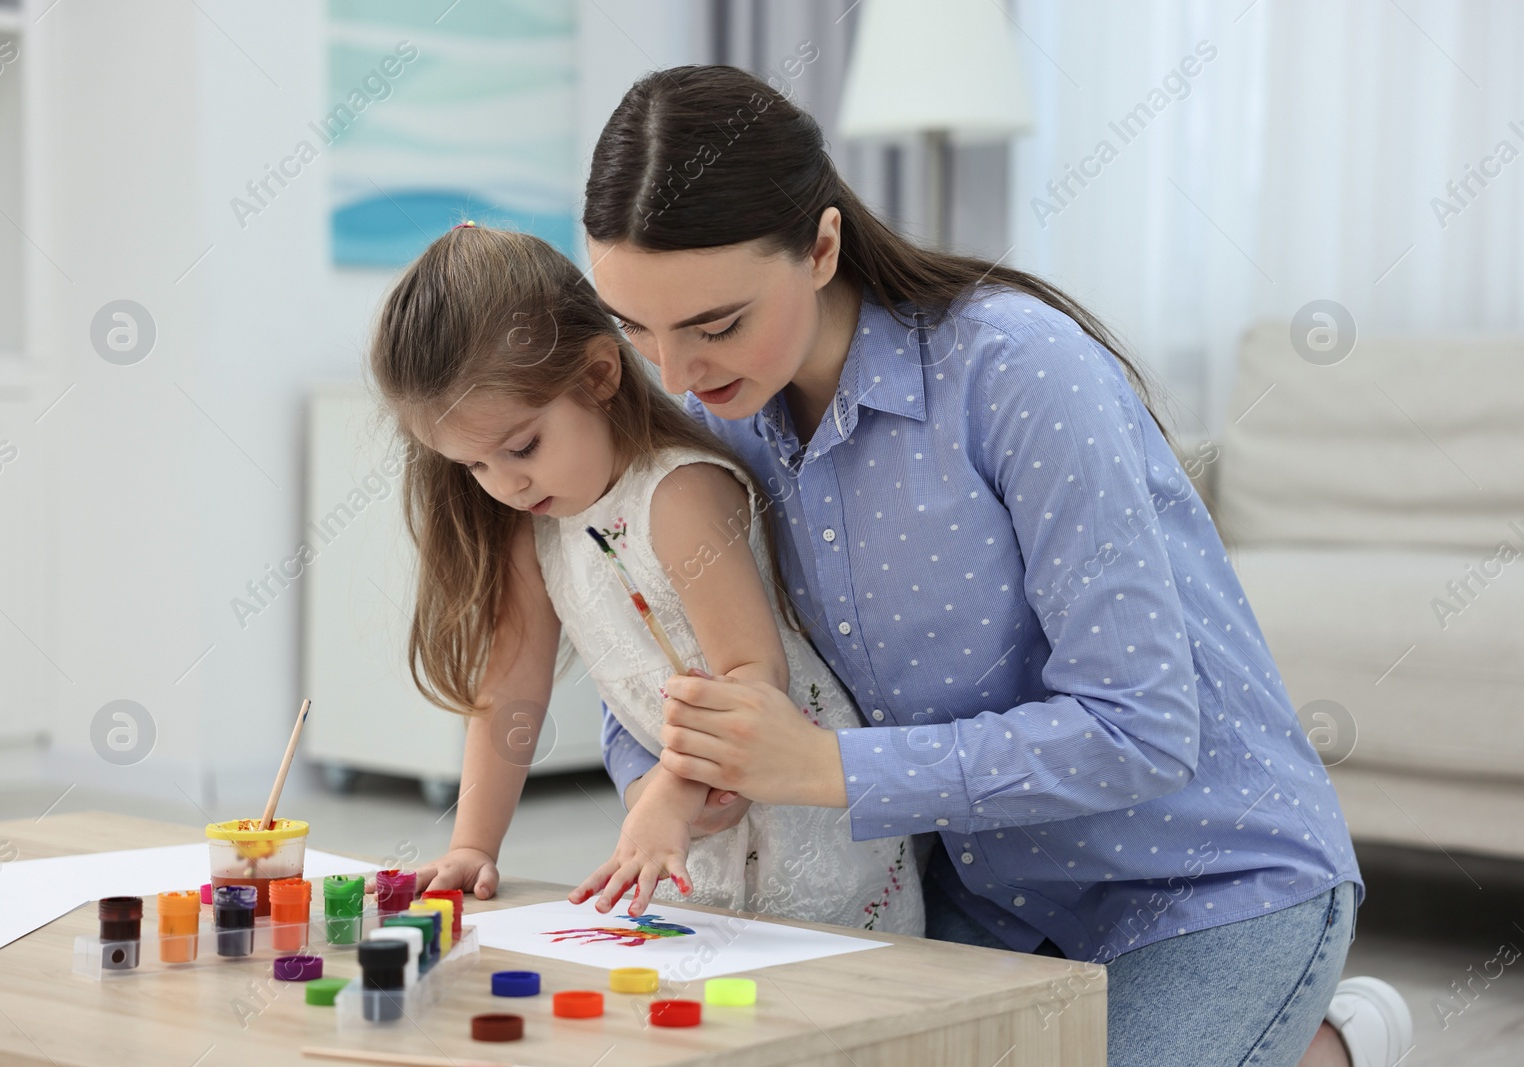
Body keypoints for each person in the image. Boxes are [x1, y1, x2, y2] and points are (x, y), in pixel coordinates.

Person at [584, 65, 1413, 1067]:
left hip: (1202, 879)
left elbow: (1144, 727)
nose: (678, 376)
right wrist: (660, 780)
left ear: (821, 246)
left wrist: (825, 769)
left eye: (714, 324)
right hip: (982, 895)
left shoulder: (1017, 369)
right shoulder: (721, 421)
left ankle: (1328, 1041)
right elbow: (651, 635)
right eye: (637, 330)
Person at [372, 223, 924, 936]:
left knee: (835, 1010)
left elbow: (754, 671)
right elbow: (509, 691)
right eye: (473, 466)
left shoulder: (680, 495)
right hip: (701, 822)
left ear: (600, 376)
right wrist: (473, 844)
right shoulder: (533, 523)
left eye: (521, 447)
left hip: (809, 820)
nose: (504, 484)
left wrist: (674, 784)